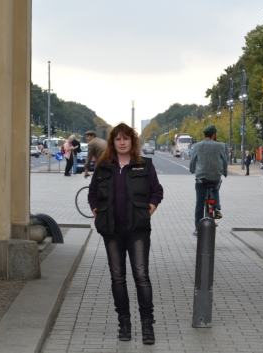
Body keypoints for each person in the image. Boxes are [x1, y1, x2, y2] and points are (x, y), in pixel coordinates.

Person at [88, 123, 163, 345]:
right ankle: (124, 322)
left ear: (132, 142)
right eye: (118, 139)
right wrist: (96, 212)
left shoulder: (144, 165)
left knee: (141, 276)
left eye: (126, 139)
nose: (122, 142)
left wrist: (148, 210)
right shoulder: (103, 166)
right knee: (117, 277)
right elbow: (93, 193)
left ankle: (147, 325)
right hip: (111, 230)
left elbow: (157, 191)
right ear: (113, 142)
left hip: (138, 230)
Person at [189, 124, 227, 236]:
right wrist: (224, 172)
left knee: (199, 204)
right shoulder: (220, 146)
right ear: (214, 134)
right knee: (215, 189)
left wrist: (192, 170)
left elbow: (192, 161)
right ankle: (216, 208)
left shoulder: (197, 146)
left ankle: (197, 229)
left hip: (201, 177)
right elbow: (224, 160)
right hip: (215, 176)